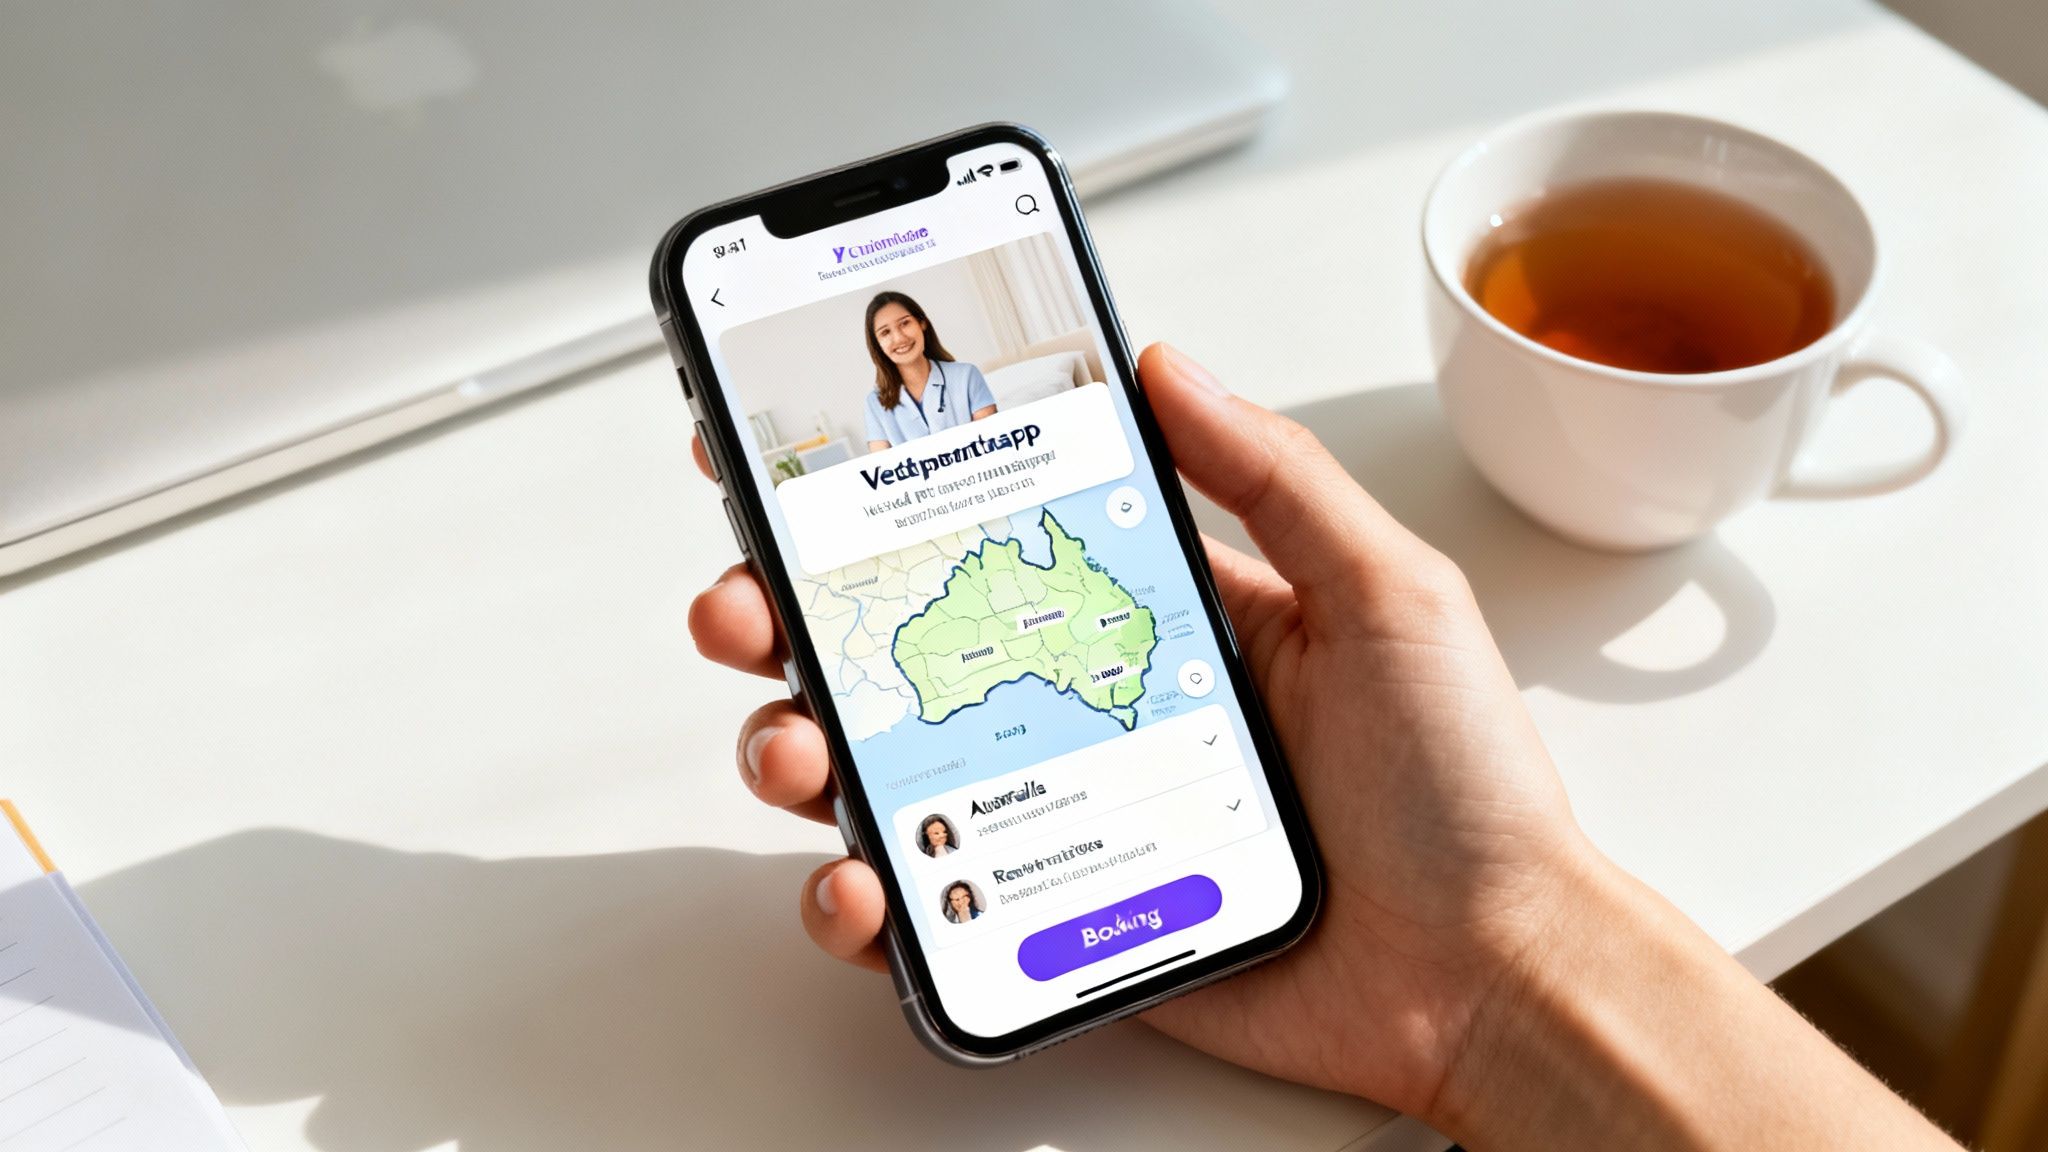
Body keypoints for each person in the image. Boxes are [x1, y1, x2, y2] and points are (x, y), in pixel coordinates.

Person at [690, 345, 1963, 1150]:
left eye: (914, 328)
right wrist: (1494, 986)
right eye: (889, 339)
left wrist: (1500, 963)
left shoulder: (980, 387)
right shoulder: (871, 415)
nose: (904, 345)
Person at [861, 291, 997, 451]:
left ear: (922, 323)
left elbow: (991, 444)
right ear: (877, 344)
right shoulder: (874, 403)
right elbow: (884, 468)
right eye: (885, 332)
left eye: (905, 323)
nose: (899, 338)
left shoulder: (966, 376)